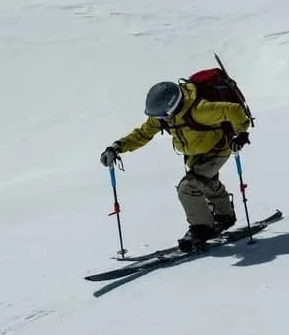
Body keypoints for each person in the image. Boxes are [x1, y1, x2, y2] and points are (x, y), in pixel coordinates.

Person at [101, 78, 251, 252]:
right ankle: (225, 215)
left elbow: (233, 110)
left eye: (162, 116)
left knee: (188, 187)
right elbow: (143, 133)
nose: (159, 120)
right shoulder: (164, 116)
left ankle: (201, 228)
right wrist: (117, 147)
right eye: (156, 116)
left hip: (217, 150)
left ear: (173, 106)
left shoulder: (199, 110)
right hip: (196, 154)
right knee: (204, 182)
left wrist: (241, 133)